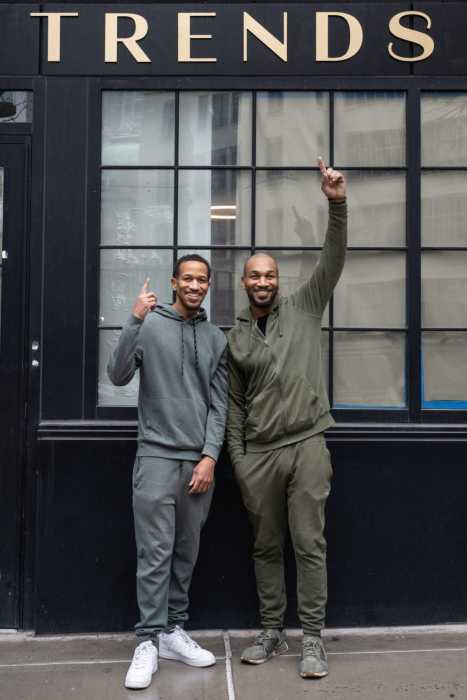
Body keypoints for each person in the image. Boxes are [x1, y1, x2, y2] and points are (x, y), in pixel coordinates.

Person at [227, 158, 347, 679]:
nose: (263, 281)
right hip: (258, 456)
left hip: (307, 445)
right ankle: (272, 630)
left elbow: (333, 260)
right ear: (244, 282)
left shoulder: (304, 307)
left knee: (309, 543)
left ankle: (313, 639)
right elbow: (234, 404)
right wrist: (239, 460)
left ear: (278, 280)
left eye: (270, 275)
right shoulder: (235, 338)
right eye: (255, 275)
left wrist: (337, 204)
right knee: (266, 546)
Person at [108, 254, 228, 690]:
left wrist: (210, 456)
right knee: (154, 554)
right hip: (156, 457)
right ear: (174, 282)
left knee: (185, 553)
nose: (195, 286)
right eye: (188, 279)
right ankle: (147, 640)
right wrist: (134, 319)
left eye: (202, 280)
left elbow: (220, 405)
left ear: (208, 285)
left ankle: (172, 631)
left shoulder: (215, 338)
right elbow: (117, 375)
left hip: (198, 464)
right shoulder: (151, 325)